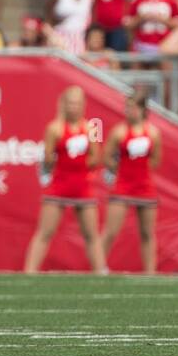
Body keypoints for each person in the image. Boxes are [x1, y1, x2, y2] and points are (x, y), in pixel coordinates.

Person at [26, 85, 107, 274]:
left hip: (82, 187)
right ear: (64, 104)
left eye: (77, 103)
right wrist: (60, 159)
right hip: (59, 185)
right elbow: (47, 157)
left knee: (91, 234)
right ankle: (29, 271)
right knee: (45, 232)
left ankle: (101, 272)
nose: (74, 107)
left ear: (83, 105)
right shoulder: (55, 128)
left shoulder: (88, 128)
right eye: (70, 103)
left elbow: (96, 158)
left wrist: (78, 158)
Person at [101, 90, 163, 274]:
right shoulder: (119, 131)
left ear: (143, 110)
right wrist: (118, 167)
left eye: (134, 107)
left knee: (147, 233)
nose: (130, 111)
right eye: (127, 107)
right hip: (123, 186)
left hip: (144, 186)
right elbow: (106, 157)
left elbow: (156, 160)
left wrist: (140, 169)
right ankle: (98, 266)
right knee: (110, 231)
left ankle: (150, 272)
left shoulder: (153, 133)